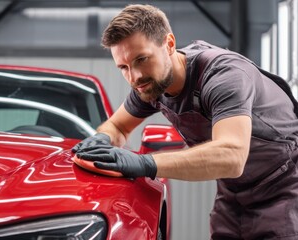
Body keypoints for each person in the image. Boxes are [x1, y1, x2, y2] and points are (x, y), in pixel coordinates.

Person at [72, 4, 298, 239]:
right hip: (233, 193)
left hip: (286, 188)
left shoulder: (223, 76)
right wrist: (102, 138)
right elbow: (118, 126)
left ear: (169, 44)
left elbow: (232, 156)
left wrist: (144, 163)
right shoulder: (150, 85)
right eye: (124, 67)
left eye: (142, 59)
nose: (135, 76)